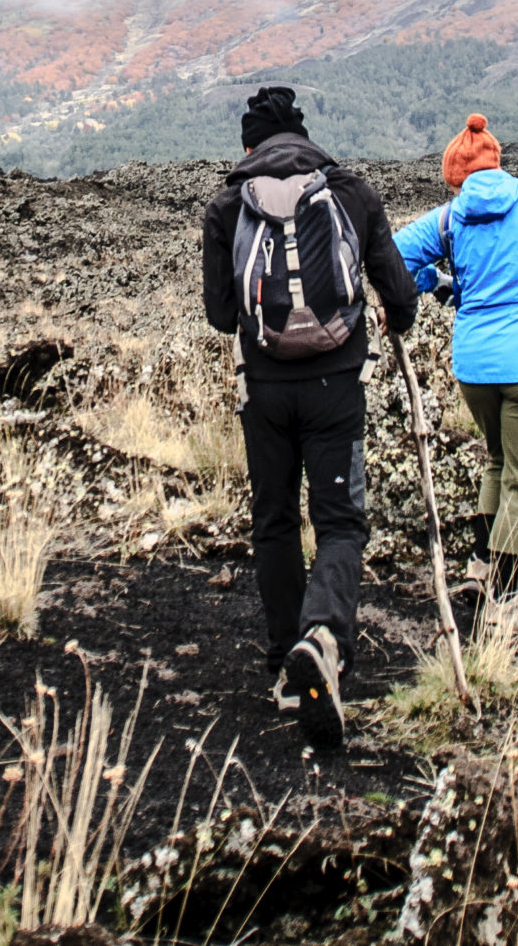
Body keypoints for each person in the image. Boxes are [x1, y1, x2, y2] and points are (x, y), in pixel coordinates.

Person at [200, 85, 418, 747]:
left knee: (274, 521)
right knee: (342, 521)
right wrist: (391, 317)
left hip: (263, 389)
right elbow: (398, 289)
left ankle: (286, 660)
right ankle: (324, 634)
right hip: (336, 384)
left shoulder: (227, 203)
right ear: (303, 135)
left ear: (249, 147)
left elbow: (218, 313)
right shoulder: (349, 190)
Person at [394, 114, 518, 633]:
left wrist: (437, 282)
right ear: (498, 163)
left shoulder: (448, 219)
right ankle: (506, 605)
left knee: (498, 461)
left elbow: (393, 257)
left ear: (455, 177)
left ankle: (482, 569)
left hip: (476, 365)